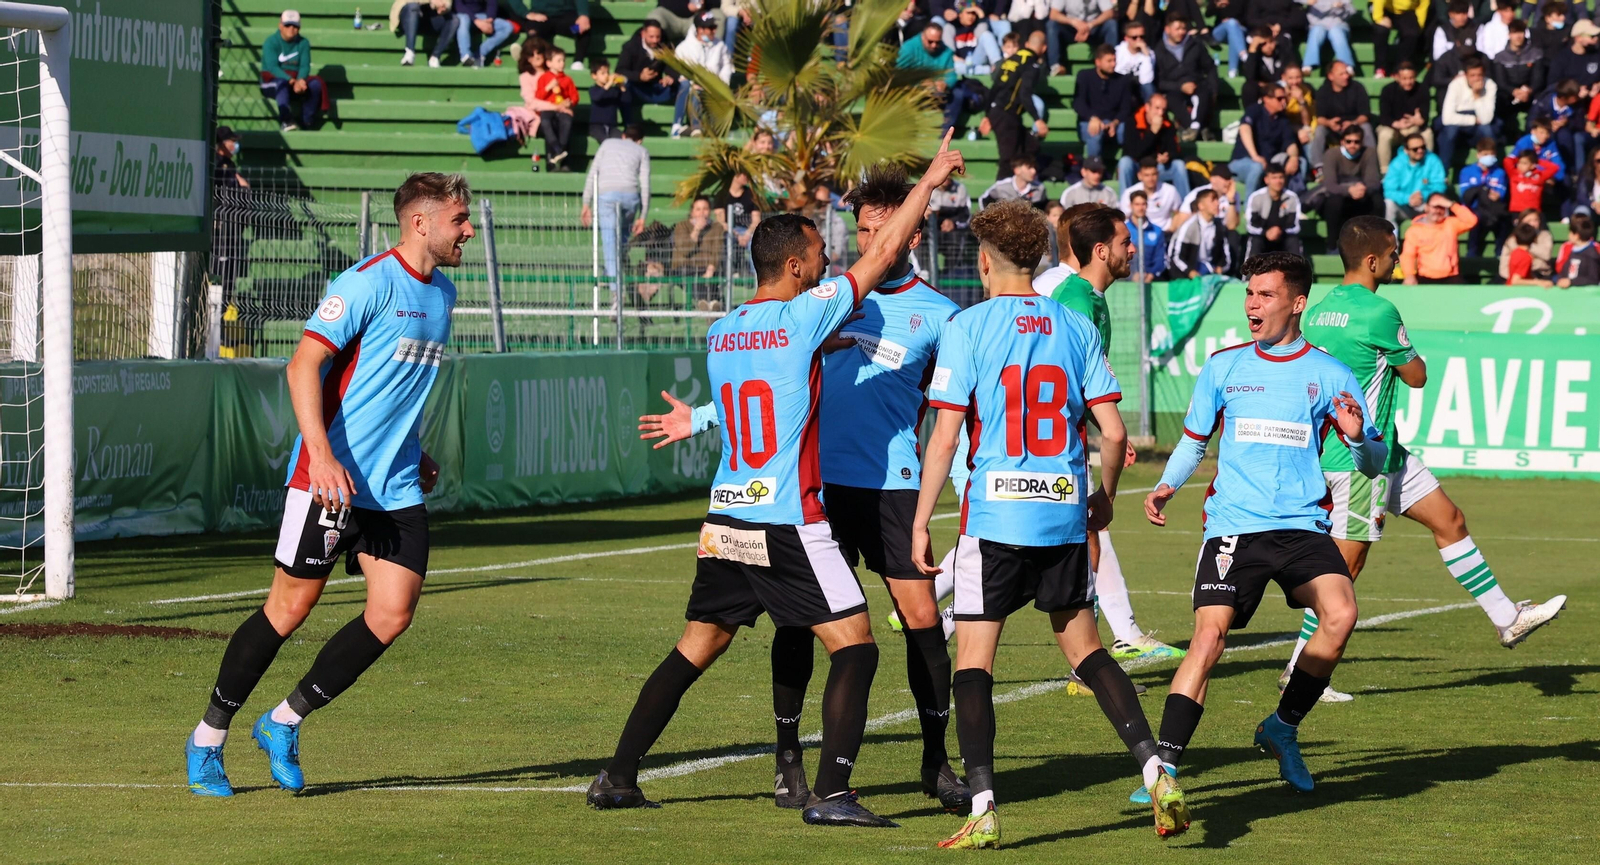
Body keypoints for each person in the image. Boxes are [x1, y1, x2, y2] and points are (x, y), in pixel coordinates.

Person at [588, 137, 967, 827]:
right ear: (794, 266)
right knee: (856, 645)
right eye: (820, 255)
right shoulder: (803, 316)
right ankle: (833, 793)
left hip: (726, 514)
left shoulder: (725, 329)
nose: (832, 262)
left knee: (696, 645)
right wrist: (934, 179)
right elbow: (877, 261)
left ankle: (616, 773)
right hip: (790, 517)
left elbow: (774, 378)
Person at [184, 173, 471, 797]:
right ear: (420, 222)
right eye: (460, 220)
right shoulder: (365, 282)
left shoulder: (443, 294)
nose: (469, 230)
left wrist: (413, 450)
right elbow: (303, 365)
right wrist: (320, 456)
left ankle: (283, 721)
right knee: (288, 609)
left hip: (392, 485)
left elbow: (396, 388)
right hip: (328, 480)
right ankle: (208, 737)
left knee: (392, 615)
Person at [915, 202, 1191, 848]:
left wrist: (922, 519)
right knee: (1087, 650)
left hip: (995, 515)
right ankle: (1156, 768)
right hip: (1062, 513)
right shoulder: (1074, 326)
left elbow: (946, 435)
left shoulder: (968, 325)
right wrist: (1105, 496)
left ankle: (982, 805)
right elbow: (1116, 432)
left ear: (985, 260)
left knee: (974, 660)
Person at [1281, 219, 1568, 702]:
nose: (1398, 260)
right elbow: (1416, 376)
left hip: (1382, 451)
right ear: (1372, 261)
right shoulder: (1378, 310)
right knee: (1342, 570)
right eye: (1393, 253)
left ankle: (1507, 619)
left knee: (1450, 520)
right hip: (1359, 461)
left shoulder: (1321, 309)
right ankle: (1299, 670)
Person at [1141, 251, 1385, 799]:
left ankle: (1282, 727)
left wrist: (1355, 437)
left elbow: (1374, 460)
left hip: (1302, 527)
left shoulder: (1330, 373)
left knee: (1342, 613)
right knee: (1208, 637)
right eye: (1250, 294)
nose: (1253, 305)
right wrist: (1166, 486)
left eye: (1266, 295)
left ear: (1297, 304)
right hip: (1234, 526)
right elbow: (1193, 441)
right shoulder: (1225, 365)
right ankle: (1165, 770)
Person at [581, 126, 651, 294]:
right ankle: (610, 271)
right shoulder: (641, 150)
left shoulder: (606, 144)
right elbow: (645, 184)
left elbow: (593, 174)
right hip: (631, 197)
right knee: (622, 239)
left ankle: (616, 293)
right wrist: (643, 215)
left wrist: (586, 203)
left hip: (607, 197)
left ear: (623, 135)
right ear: (640, 140)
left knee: (609, 242)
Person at [986, 29, 1050, 180]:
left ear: (1027, 44)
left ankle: (1022, 189)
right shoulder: (1032, 65)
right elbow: (1025, 94)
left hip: (1000, 112)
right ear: (1044, 48)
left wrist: (987, 114)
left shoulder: (1010, 59)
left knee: (1030, 146)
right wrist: (1037, 119)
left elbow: (994, 88)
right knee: (1008, 159)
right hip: (1006, 114)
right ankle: (996, 199)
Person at [1230, 82, 1300, 203]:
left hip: (1268, 163)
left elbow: (1290, 142)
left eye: (1285, 98)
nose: (1283, 101)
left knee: (1300, 163)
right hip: (1242, 161)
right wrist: (1255, 156)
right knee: (1256, 167)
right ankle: (1250, 209)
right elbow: (1244, 129)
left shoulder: (1283, 119)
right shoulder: (1255, 110)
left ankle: (1293, 204)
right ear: (1267, 99)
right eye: (1279, 98)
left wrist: (1294, 157)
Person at [1154, 14, 1217, 142]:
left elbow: (1210, 67)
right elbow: (1159, 81)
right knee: (1171, 99)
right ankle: (1199, 127)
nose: (1181, 32)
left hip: (1197, 84)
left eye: (1184, 28)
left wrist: (1214, 90)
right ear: (1167, 29)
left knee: (1204, 93)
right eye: (1177, 29)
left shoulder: (1196, 44)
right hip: (1174, 88)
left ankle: (1193, 129)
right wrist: (1180, 87)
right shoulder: (1159, 50)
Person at [1315, 125, 1381, 245]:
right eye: (1348, 141)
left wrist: (1362, 189)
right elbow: (1330, 185)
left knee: (1377, 200)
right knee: (1334, 202)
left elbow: (1374, 181)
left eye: (1356, 142)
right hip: (1340, 196)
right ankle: (1332, 245)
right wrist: (1349, 190)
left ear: (1362, 142)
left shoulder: (1369, 152)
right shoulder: (1332, 154)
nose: (1352, 145)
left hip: (1361, 195)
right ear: (1342, 142)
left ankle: (1375, 243)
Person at [260, 10, 324, 132]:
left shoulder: (303, 43)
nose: (291, 29)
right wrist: (291, 80)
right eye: (287, 25)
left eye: (295, 26)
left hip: (295, 82)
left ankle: (307, 121)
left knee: (315, 85)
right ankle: (286, 120)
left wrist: (300, 80)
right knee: (281, 84)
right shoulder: (271, 42)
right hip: (273, 81)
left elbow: (305, 66)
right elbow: (272, 67)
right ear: (280, 26)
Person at [673, 13, 733, 138]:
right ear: (700, 30)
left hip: (714, 86)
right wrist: (694, 83)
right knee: (690, 88)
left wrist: (720, 83)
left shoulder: (720, 46)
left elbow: (726, 66)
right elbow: (680, 72)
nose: (714, 31)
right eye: (710, 28)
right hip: (691, 86)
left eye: (714, 27)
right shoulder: (684, 48)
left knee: (698, 89)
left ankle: (696, 127)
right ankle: (679, 125)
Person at [1118, 93, 1187, 199]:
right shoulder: (1132, 121)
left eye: (1163, 109)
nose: (1160, 113)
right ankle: (1125, 205)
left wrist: (1167, 157)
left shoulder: (1168, 124)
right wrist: (1152, 132)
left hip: (1157, 168)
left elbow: (1175, 150)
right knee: (1124, 163)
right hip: (1138, 168)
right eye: (1157, 108)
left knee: (1179, 165)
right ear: (1147, 107)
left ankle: (1186, 208)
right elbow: (1133, 152)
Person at [1435, 57, 1499, 167]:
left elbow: (1486, 119)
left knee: (1487, 130)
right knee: (1449, 131)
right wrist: (1473, 120)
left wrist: (1477, 96)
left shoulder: (1490, 85)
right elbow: (1447, 118)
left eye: (1479, 75)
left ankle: (1492, 170)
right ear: (1465, 75)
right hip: (1461, 122)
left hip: (1477, 124)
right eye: (1472, 75)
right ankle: (1443, 172)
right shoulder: (1455, 85)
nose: (1477, 79)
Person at [1310, 62, 1374, 171]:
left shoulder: (1357, 88)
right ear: (1331, 76)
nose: (1346, 76)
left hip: (1354, 126)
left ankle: (1371, 164)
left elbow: (1365, 115)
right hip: (1333, 129)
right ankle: (1318, 168)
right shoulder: (1323, 91)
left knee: (1366, 128)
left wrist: (1353, 123)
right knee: (1319, 130)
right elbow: (1320, 118)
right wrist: (1329, 123)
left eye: (1346, 73)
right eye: (1341, 74)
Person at [1399, 194, 1477, 283]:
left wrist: (1451, 204)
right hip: (1425, 277)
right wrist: (1409, 276)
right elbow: (1408, 255)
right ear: (1426, 208)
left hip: (1451, 277)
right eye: (1435, 207)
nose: (1438, 211)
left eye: (1442, 207)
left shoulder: (1450, 224)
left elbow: (1471, 221)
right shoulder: (1414, 230)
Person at [616, 21, 683, 125]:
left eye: (658, 37)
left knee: (683, 85)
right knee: (624, 86)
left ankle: (678, 125)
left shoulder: (665, 46)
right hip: (636, 88)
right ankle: (628, 125)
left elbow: (672, 67)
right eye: (651, 37)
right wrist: (639, 76)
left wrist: (670, 77)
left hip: (657, 87)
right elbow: (620, 70)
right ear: (643, 34)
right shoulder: (630, 47)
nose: (655, 40)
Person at [1073, 46, 1133, 160]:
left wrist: (1115, 123)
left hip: (1114, 122)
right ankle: (1094, 168)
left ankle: (1126, 165)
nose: (1113, 64)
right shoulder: (1084, 76)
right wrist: (1092, 118)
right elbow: (1078, 103)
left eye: (1114, 60)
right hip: (1089, 121)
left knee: (1128, 131)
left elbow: (1125, 108)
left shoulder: (1123, 80)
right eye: (1109, 61)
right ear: (1098, 62)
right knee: (1095, 132)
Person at [1458, 138, 1511, 257]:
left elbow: (1499, 194)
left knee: (1503, 219)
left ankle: (1500, 252)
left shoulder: (1500, 172)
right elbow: (1465, 194)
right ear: (1478, 155)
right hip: (1474, 208)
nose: (1489, 157)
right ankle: (1472, 253)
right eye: (1485, 154)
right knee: (1476, 218)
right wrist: (1484, 191)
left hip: (1493, 208)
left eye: (1492, 154)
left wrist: (1487, 193)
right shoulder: (1467, 171)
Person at [670, 196, 726, 304]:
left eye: (705, 209)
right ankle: (711, 303)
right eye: (698, 209)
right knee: (696, 280)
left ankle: (706, 305)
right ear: (692, 212)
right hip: (686, 266)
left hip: (707, 267)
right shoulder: (682, 226)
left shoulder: (716, 227)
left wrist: (711, 268)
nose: (701, 213)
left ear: (710, 211)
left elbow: (717, 249)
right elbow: (684, 250)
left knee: (713, 278)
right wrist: (696, 230)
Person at [1492, 19, 1545, 131]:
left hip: (1530, 93)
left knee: (1540, 100)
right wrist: (1514, 91)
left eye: (1521, 32)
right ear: (1509, 35)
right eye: (1515, 33)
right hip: (1509, 94)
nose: (1518, 36)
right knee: (1499, 100)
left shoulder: (1536, 54)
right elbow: (1501, 82)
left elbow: (1538, 78)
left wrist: (1528, 90)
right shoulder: (1500, 57)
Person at [1166, 188, 1231, 277]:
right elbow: (1176, 257)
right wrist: (1190, 272)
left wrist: (1220, 267)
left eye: (1217, 200)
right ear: (1201, 206)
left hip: (1209, 270)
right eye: (1213, 200)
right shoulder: (1189, 227)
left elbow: (1225, 255)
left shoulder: (1219, 226)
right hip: (1186, 274)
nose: (1217, 203)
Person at [1382, 134, 1446, 222]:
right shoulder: (1397, 164)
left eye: (1423, 147)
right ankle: (1391, 234)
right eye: (1415, 149)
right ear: (1406, 150)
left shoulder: (1433, 160)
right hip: (1403, 205)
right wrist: (1408, 198)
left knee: (1441, 202)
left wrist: (1423, 195)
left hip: (1425, 204)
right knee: (1388, 203)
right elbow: (1389, 191)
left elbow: (1439, 186)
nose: (1420, 151)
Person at [1048, 0, 1119, 76]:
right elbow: (1053, 14)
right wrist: (1073, 22)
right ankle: (1055, 66)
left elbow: (1109, 12)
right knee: (1052, 25)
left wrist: (1090, 25)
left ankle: (1111, 62)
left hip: (1094, 28)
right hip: (1072, 29)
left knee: (1111, 24)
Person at [534, 47, 578, 170]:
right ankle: (556, 150)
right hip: (548, 109)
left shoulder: (567, 79)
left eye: (563, 60)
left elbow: (574, 96)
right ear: (549, 63)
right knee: (546, 122)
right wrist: (548, 87)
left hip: (563, 109)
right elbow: (538, 97)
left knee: (566, 122)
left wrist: (570, 102)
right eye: (558, 61)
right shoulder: (543, 78)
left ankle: (563, 153)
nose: (562, 63)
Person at [1244, 166, 1303, 257]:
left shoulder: (1292, 198)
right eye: (1274, 178)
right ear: (1266, 180)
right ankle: (1250, 270)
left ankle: (1297, 270)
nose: (1278, 181)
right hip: (1262, 237)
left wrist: (1279, 231)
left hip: (1284, 237)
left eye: (1281, 177)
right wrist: (1266, 232)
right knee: (1255, 241)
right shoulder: (1256, 197)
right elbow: (1250, 225)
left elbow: (1295, 226)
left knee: (1293, 241)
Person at [522, 0, 593, 68]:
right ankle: (525, 57)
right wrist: (525, 13)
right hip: (541, 18)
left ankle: (578, 62)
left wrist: (583, 14)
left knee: (581, 28)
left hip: (565, 19)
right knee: (534, 33)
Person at [1119, 157, 1181, 231]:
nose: (1151, 179)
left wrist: (1171, 229)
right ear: (1139, 176)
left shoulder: (1170, 190)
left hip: (1164, 234)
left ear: (1158, 174)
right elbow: (1124, 218)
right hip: (1137, 234)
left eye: (1153, 174)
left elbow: (1178, 213)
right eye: (1146, 175)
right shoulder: (1129, 192)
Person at [1372, 0, 1427, 77]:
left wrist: (1419, 26)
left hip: (1405, 11)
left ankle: (1399, 69)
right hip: (1383, 6)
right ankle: (1380, 68)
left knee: (1412, 33)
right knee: (1381, 30)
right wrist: (1379, 18)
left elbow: (1423, 5)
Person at [948, 1, 1005, 75]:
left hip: (976, 59)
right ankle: (989, 70)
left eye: (974, 13)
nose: (971, 16)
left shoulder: (978, 25)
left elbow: (984, 34)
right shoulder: (951, 27)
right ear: (960, 14)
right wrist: (960, 61)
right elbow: (949, 53)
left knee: (986, 35)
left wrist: (980, 12)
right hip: (960, 62)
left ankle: (998, 65)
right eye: (968, 13)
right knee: (955, 66)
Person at [713, 171, 763, 258]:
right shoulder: (721, 195)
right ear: (734, 176)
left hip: (747, 231)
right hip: (729, 231)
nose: (746, 176)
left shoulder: (751, 194)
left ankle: (754, 271)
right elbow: (721, 222)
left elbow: (756, 220)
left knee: (755, 243)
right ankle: (731, 270)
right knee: (726, 241)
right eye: (743, 174)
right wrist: (737, 235)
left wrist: (747, 234)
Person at [453, 0, 515, 67]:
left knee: (507, 27)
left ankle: (479, 55)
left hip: (481, 16)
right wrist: (476, 21)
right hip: (463, 15)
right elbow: (459, 6)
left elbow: (492, 2)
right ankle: (465, 56)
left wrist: (489, 20)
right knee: (463, 19)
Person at [1501, 209, 1555, 285]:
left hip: (1540, 274)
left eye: (1536, 220)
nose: (1532, 224)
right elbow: (1513, 262)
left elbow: (1546, 255)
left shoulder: (1545, 235)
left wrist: (1528, 244)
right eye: (1529, 221)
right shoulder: (1513, 239)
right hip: (1512, 276)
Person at [396, 1, 458, 67]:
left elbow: (447, 2)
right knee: (413, 6)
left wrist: (444, 7)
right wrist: (433, 2)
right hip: (408, 15)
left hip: (429, 19)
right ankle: (409, 52)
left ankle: (435, 57)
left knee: (454, 20)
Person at [1239, 25, 1289, 106]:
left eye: (1271, 42)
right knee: (1249, 87)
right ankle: (1251, 115)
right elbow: (1250, 77)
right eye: (1264, 44)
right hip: (1263, 90)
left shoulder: (1281, 51)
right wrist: (1252, 49)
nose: (1269, 46)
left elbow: (1290, 70)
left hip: (1281, 86)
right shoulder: (1255, 57)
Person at [1304, 0, 1356, 73]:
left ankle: (1346, 66)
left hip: (1338, 24)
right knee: (1317, 31)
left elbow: (1351, 11)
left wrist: (1342, 8)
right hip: (1317, 24)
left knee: (1335, 32)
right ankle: (1308, 65)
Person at [1125, 189, 1167, 280]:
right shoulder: (1124, 229)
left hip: (1150, 280)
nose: (1140, 208)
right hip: (1126, 281)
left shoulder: (1157, 231)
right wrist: (1131, 275)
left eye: (1143, 204)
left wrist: (1151, 274)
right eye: (1137, 204)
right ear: (1131, 206)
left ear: (1147, 205)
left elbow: (1160, 258)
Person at [587, 60, 631, 144]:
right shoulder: (593, 89)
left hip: (612, 126)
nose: (606, 75)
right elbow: (597, 97)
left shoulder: (613, 91)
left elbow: (626, 100)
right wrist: (609, 83)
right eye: (603, 73)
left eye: (607, 72)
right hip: (596, 126)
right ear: (594, 76)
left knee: (622, 140)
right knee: (605, 141)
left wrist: (621, 86)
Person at [979, 155, 1047, 207]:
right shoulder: (1001, 186)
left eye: (1034, 167)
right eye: (1029, 168)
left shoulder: (1039, 188)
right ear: (1017, 170)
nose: (1034, 171)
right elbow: (983, 199)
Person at [1114, 19, 1156, 99]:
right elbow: (1117, 73)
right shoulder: (1118, 51)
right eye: (1134, 37)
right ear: (1126, 38)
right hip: (1122, 85)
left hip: (1140, 86)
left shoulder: (1149, 53)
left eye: (1142, 37)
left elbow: (1147, 80)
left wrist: (1146, 56)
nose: (1139, 40)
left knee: (1148, 87)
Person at [1556, 211, 1600, 286]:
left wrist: (1572, 282)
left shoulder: (1592, 254)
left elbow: (1593, 279)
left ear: (1576, 235)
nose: (1568, 235)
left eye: (1570, 232)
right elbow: (1563, 269)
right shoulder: (1571, 250)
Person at [647, 0, 722, 44]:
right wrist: (686, 8)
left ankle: (712, 59)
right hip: (672, 16)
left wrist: (704, 4)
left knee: (718, 17)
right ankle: (653, 62)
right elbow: (663, 2)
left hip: (697, 17)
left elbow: (717, 2)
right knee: (654, 18)